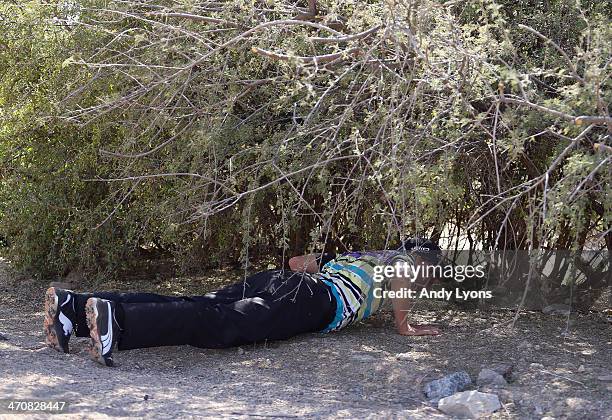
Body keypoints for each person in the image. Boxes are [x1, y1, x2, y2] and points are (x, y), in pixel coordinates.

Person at [43, 238, 442, 366]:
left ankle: (74, 310)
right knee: (219, 325)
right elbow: (404, 279)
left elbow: (297, 262)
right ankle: (119, 324)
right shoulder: (404, 264)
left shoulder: (359, 256)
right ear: (422, 259)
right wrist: (405, 326)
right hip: (315, 300)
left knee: (199, 303)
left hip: (284, 280)